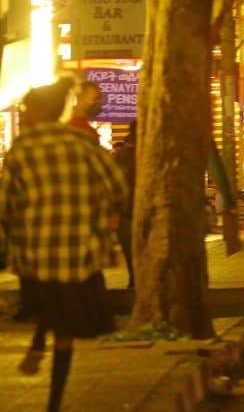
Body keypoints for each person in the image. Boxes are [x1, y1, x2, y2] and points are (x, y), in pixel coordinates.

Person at [0, 81, 128, 411]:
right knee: (65, 330)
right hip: (80, 255)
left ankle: (39, 347)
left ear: (41, 112)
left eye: (28, 110)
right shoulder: (83, 143)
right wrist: (101, 217)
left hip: (34, 255)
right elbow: (117, 186)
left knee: (49, 305)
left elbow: (5, 205)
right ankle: (54, 400)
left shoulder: (21, 149)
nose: (25, 115)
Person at [112, 120, 138, 289]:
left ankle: (134, 280)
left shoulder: (122, 155)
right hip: (132, 210)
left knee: (131, 252)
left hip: (127, 211)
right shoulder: (126, 155)